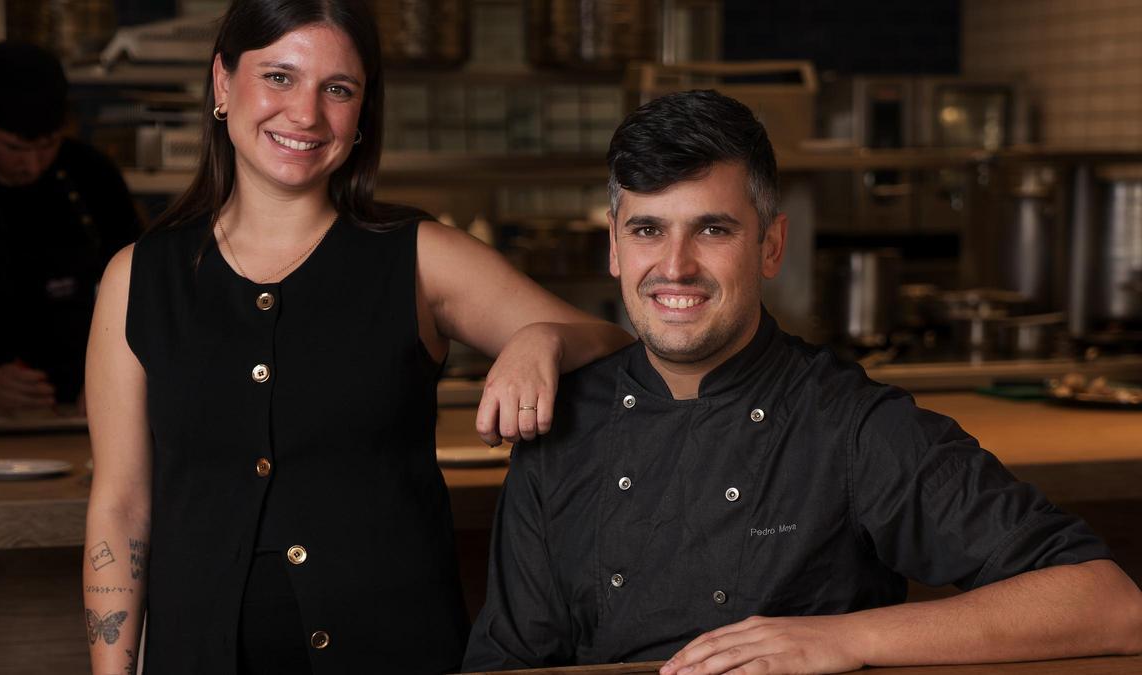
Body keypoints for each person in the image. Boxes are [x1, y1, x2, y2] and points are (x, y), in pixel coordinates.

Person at [463, 90, 1142, 674]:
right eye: (647, 228)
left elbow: (1109, 603)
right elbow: (511, 662)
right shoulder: (562, 423)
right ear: (614, 245)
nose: (675, 265)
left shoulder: (850, 424)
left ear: (771, 244)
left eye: (713, 229)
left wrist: (847, 637)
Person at [81, 1, 631, 674]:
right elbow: (120, 504)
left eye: (337, 89)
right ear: (223, 84)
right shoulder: (136, 278)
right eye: (279, 77)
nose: (306, 114)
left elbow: (611, 342)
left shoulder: (421, 257)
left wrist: (543, 338)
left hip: (396, 650)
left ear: (363, 112)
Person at [0, 41, 141, 409]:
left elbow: (145, 292)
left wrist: (113, 376)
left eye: (47, 146)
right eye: (14, 149)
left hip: (84, 407)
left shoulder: (93, 175)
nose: (32, 165)